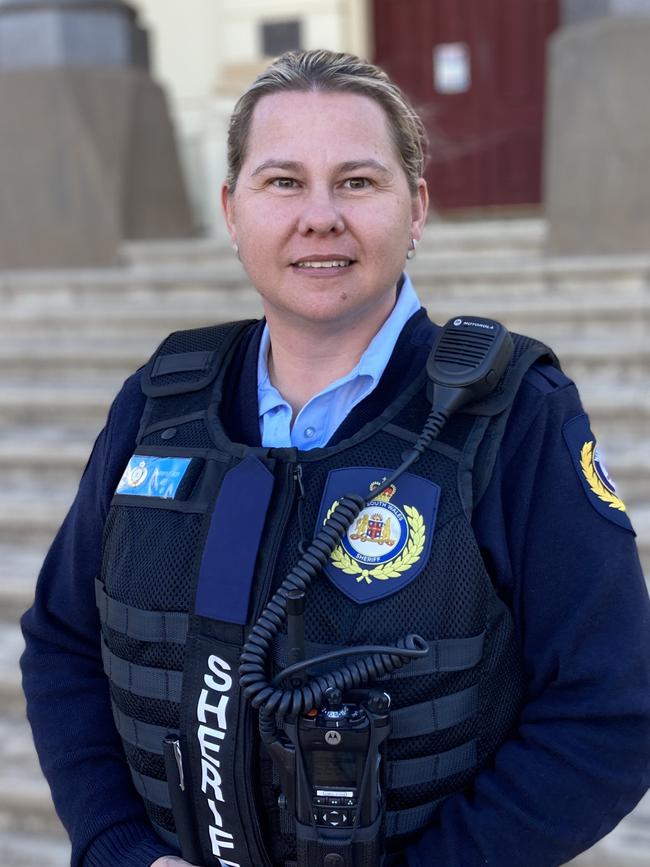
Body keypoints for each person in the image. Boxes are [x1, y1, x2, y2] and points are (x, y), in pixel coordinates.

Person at [20, 49, 649, 867]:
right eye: (282, 182)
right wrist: (118, 849)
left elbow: (611, 709)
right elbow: (63, 641)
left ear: (415, 207)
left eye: (357, 181)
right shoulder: (157, 403)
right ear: (233, 209)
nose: (320, 216)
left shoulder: (514, 416)